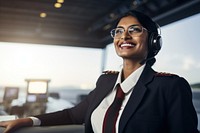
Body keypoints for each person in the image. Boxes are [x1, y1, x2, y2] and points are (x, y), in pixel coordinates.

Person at [0, 10, 199, 133]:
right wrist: (28, 120)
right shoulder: (106, 82)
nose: (125, 36)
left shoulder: (170, 86)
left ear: (153, 40)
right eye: (119, 31)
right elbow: (72, 115)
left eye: (135, 29)